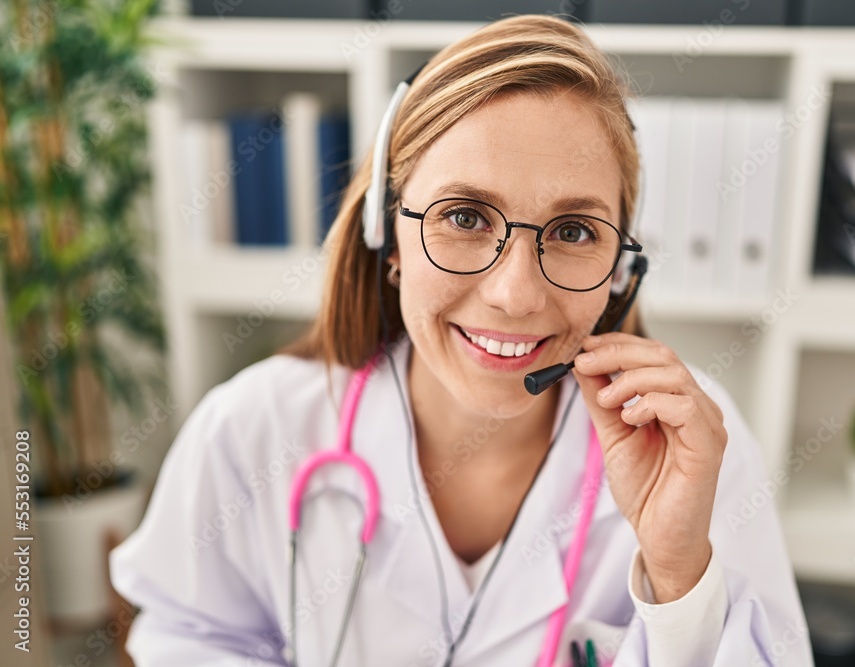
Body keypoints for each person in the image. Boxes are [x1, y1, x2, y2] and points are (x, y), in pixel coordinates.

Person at [110, 14, 811, 667]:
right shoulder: (251, 431)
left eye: (572, 232)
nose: (515, 294)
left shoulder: (692, 448)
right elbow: (186, 635)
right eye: (466, 216)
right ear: (388, 238)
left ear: (621, 272)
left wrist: (678, 574)